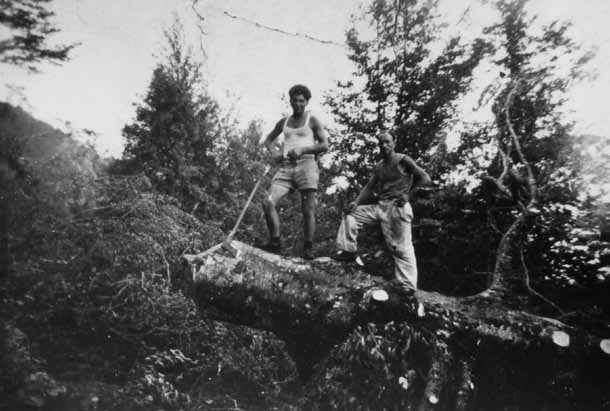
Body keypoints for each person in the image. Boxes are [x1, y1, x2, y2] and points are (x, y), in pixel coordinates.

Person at [335, 131, 431, 294]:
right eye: (380, 143)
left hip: (397, 207)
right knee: (351, 213)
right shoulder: (380, 166)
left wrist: (408, 195)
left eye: (387, 142)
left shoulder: (403, 159)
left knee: (400, 248)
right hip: (381, 206)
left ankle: (407, 287)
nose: (383, 146)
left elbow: (425, 178)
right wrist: (356, 202)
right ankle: (348, 251)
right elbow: (370, 186)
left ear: (394, 143)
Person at [261, 84, 329, 259]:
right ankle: (275, 242)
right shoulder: (284, 122)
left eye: (301, 101)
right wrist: (275, 153)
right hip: (286, 167)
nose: (298, 104)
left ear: (306, 102)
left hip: (307, 165)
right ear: (290, 101)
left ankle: (308, 248)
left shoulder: (311, 120)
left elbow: (324, 145)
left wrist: (303, 150)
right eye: (295, 100)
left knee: (308, 210)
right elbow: (268, 140)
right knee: (268, 202)